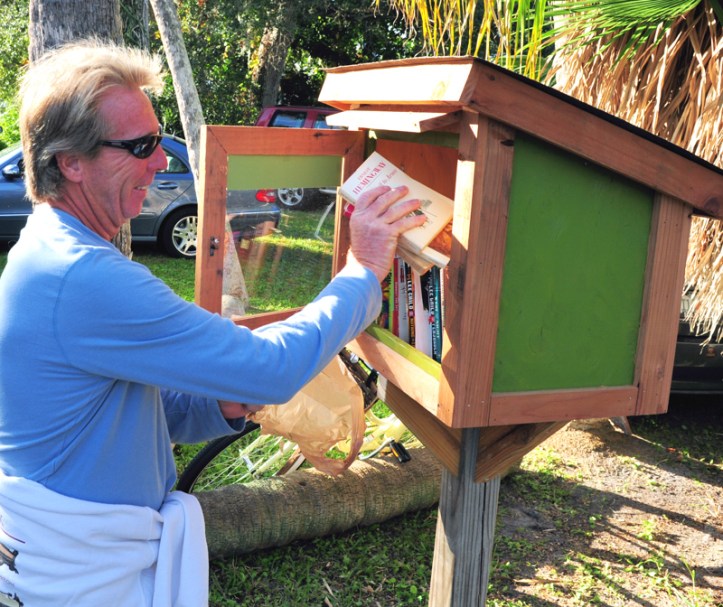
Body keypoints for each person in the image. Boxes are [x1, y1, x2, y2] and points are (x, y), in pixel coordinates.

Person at [0, 39, 425, 606]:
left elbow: (128, 413)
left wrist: (218, 405)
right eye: (141, 145)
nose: (160, 160)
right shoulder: (81, 275)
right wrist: (365, 269)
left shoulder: (53, 247)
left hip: (74, 552)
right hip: (77, 570)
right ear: (71, 163)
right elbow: (269, 370)